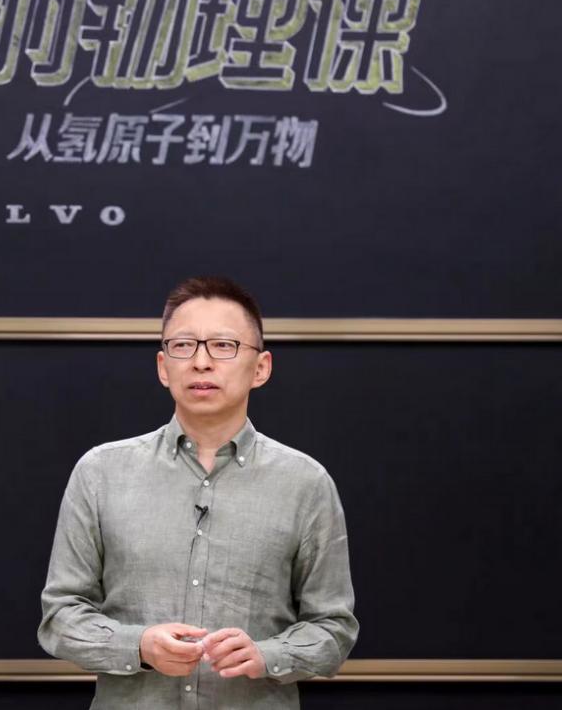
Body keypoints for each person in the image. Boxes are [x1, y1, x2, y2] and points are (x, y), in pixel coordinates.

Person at [38, 276, 357, 709]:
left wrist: (268, 654)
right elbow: (60, 617)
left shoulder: (306, 483)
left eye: (223, 345)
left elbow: (334, 629)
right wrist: (138, 646)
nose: (201, 362)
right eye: (184, 346)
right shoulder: (100, 473)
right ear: (162, 366)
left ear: (261, 367)